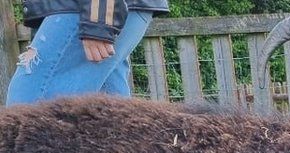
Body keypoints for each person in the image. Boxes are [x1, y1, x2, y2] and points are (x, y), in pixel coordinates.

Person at [6, 0, 169, 106]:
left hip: (86, 8)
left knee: (27, 109)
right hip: (84, 9)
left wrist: (100, 13)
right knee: (108, 128)